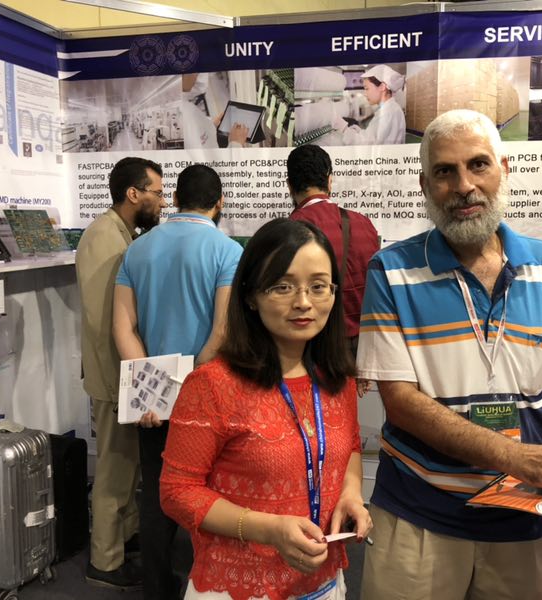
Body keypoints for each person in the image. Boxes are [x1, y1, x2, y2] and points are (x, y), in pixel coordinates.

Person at [356, 109, 542, 600]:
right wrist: (518, 457)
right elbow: (400, 401)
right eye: (444, 171)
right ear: (425, 185)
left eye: (478, 165)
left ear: (504, 169)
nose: (464, 186)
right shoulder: (391, 270)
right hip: (421, 515)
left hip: (526, 513)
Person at [160, 218, 372, 600]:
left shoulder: (336, 379)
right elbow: (177, 492)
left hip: (323, 581)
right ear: (251, 296)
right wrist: (268, 529)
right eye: (282, 286)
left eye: (318, 286)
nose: (303, 302)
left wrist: (351, 494)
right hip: (240, 585)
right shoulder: (213, 385)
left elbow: (351, 447)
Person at [113, 164, 244, 599]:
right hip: (208, 394)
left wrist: (151, 391)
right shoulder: (227, 251)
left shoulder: (137, 249)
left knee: (157, 493)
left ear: (175, 199)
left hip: (152, 403)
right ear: (219, 202)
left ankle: (156, 588)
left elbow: (123, 327)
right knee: (212, 492)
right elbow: (222, 332)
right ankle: (208, 585)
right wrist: (186, 390)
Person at [76, 156, 166, 590]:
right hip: (114, 378)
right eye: (158, 193)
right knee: (114, 472)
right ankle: (105, 561)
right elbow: (105, 322)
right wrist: (124, 384)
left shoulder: (121, 234)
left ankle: (124, 539)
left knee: (128, 468)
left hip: (122, 375)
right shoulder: (103, 238)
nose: (162, 202)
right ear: (134, 193)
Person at [287, 144, 380, 349]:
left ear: (289, 186)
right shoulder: (363, 223)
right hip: (364, 343)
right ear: (329, 180)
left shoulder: (290, 230)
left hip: (317, 344)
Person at [332, 64, 406, 145]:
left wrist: (344, 128)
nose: (365, 93)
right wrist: (359, 131)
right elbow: (375, 137)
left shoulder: (387, 113)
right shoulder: (392, 108)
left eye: (367, 88)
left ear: (382, 87)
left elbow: (366, 144)